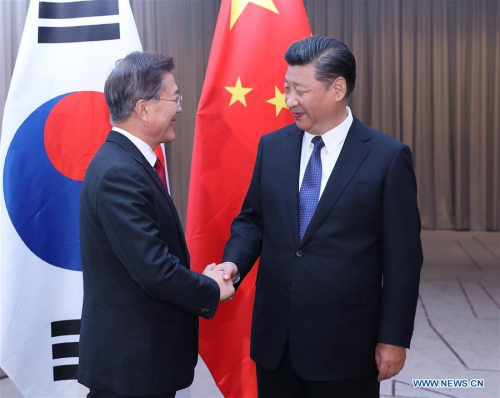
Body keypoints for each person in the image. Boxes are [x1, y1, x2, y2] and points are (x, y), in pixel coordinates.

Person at [217, 36, 423, 397]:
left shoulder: (387, 157)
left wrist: (393, 337)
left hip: (346, 346)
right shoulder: (273, 146)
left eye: (300, 90)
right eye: (286, 88)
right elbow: (253, 220)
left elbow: (404, 258)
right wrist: (233, 263)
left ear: (338, 88)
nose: (289, 100)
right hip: (275, 343)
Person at [78, 51, 234, 398]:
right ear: (143, 108)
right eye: (174, 98)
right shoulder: (120, 172)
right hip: (131, 367)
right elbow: (153, 268)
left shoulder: (130, 163)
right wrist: (210, 288)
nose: (180, 108)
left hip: (141, 362)